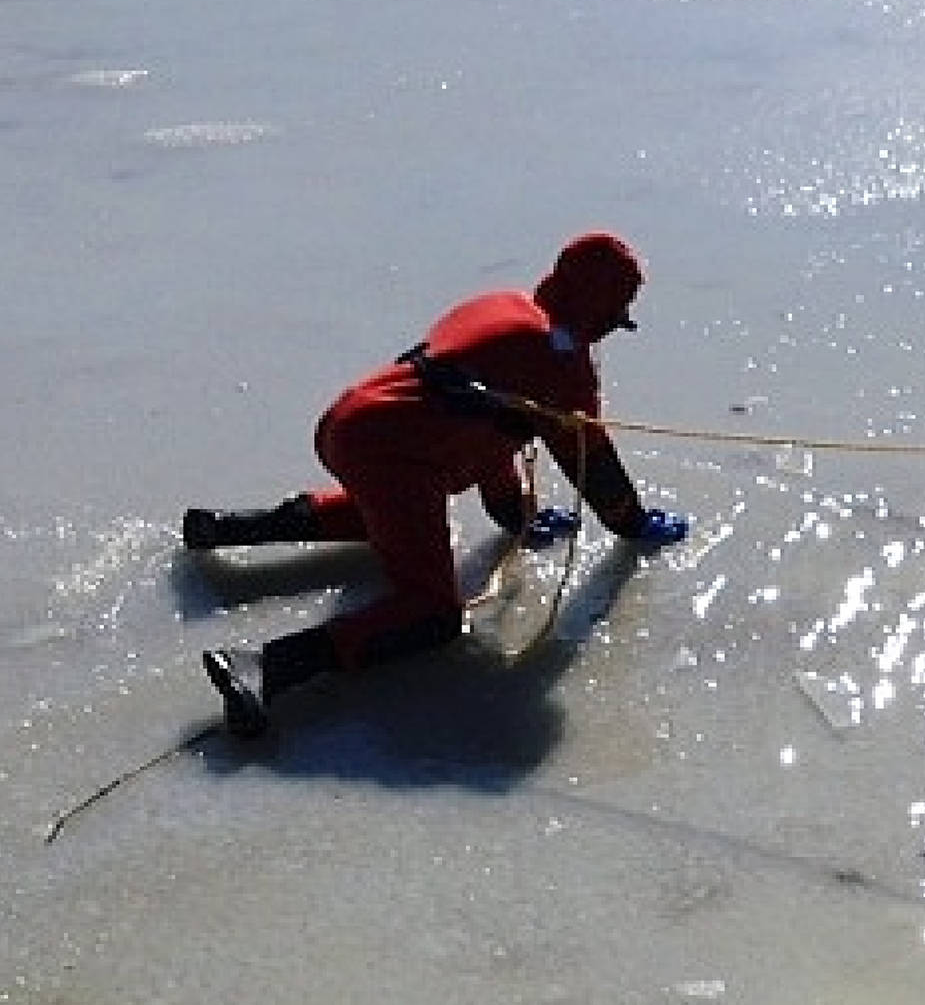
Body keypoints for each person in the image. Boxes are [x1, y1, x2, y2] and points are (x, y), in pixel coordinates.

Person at [182, 231, 690, 737]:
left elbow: (496, 434)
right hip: (395, 458)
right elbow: (593, 466)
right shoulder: (559, 363)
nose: (612, 329)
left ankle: (226, 528)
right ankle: (264, 667)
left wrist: (515, 516)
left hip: (350, 424)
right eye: (615, 315)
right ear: (599, 305)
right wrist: (633, 523)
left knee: (392, 518)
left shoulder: (502, 305)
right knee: (433, 615)